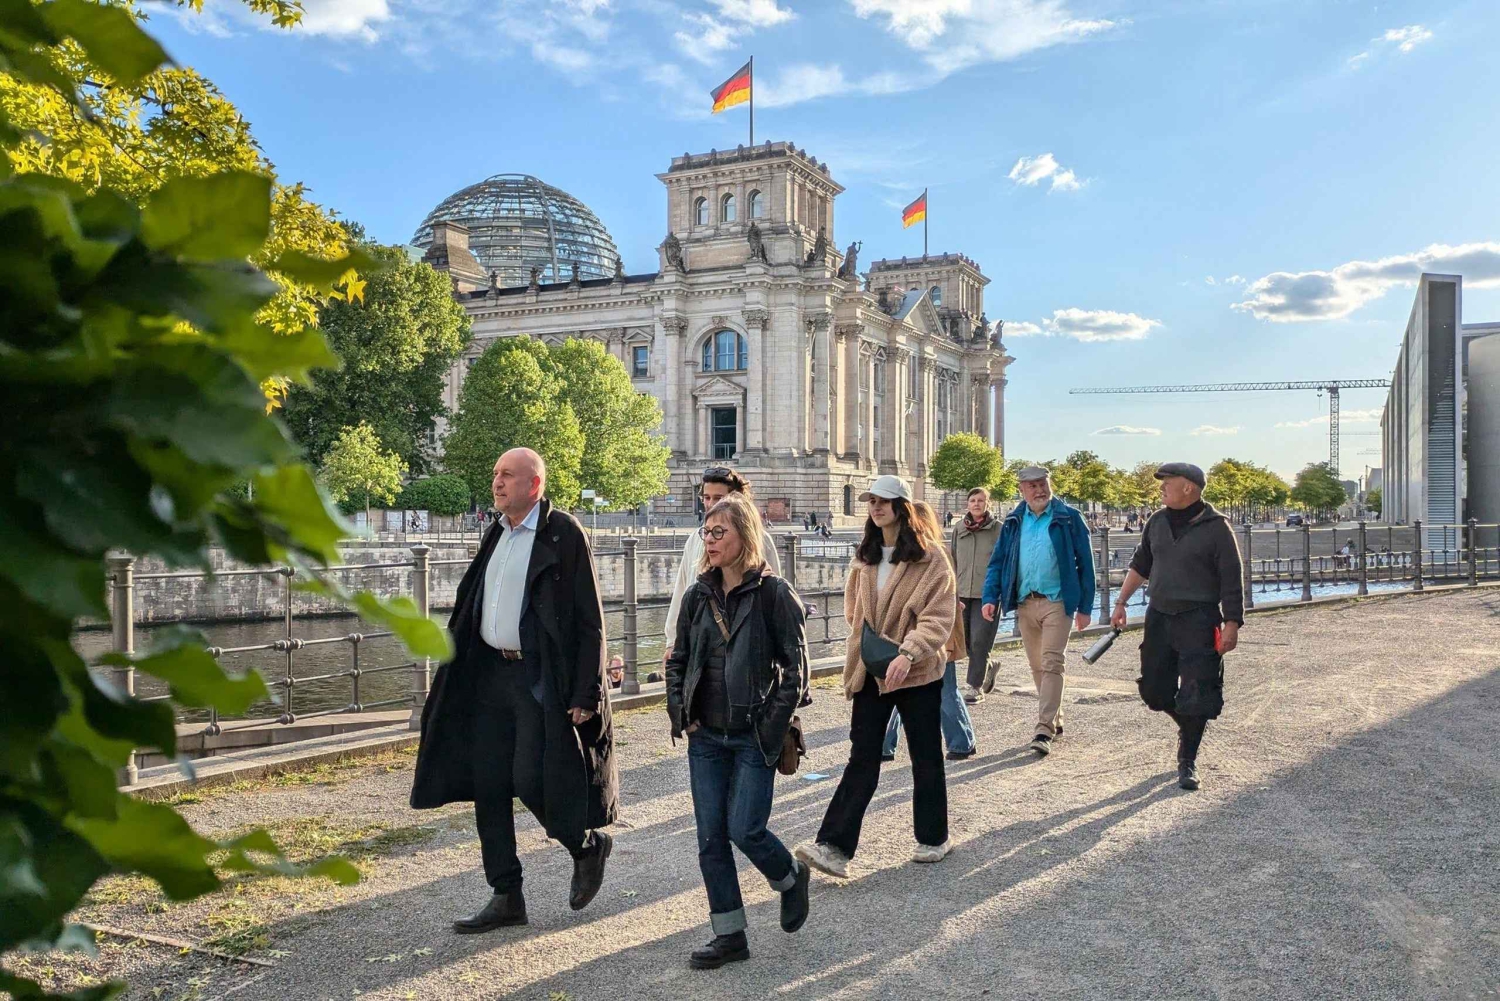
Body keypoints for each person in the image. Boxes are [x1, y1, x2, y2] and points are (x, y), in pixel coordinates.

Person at [410, 448, 617, 933]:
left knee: (529, 777)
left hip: (537, 676)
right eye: (495, 474)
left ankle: (585, 845)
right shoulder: (496, 531)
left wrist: (587, 692)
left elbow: (590, 620)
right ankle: (506, 895)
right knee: (489, 785)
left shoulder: (564, 533)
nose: (497, 483)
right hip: (488, 675)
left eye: (507, 475)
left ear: (534, 485)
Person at [666, 494, 811, 969]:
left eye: (718, 533)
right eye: (706, 533)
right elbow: (678, 660)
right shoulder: (696, 596)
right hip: (705, 734)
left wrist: (770, 724)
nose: (708, 541)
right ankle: (730, 936)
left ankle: (790, 876)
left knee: (745, 829)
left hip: (753, 734)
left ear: (744, 536)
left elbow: (796, 671)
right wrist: (678, 710)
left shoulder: (774, 594)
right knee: (710, 838)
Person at [796, 475, 957, 878]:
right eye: (871, 501)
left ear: (902, 506)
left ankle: (933, 837)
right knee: (862, 756)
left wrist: (908, 650)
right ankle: (833, 847)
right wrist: (873, 646)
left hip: (917, 670)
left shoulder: (931, 557)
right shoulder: (865, 555)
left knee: (925, 754)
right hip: (872, 667)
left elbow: (940, 615)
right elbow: (854, 612)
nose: (875, 507)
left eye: (884, 501)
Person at [1110, 462, 1244, 791]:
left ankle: (1188, 759)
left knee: (1198, 691)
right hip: (1159, 616)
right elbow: (1141, 565)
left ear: (1188, 487)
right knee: (1153, 691)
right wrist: (1121, 602)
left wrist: (1232, 623)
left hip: (1199, 618)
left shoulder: (1216, 527)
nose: (1161, 488)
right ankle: (1188, 723)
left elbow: (1232, 578)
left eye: (1167, 483)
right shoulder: (1156, 522)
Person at [980, 466, 1096, 756]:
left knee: (1052, 661)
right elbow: (998, 562)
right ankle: (1055, 719)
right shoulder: (1014, 521)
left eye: (1042, 484)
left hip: (1058, 601)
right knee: (1036, 665)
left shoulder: (1068, 517)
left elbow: (1086, 564)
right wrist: (990, 596)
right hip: (1025, 602)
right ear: (1022, 490)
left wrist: (1085, 606)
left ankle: (1043, 728)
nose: (1039, 490)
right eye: (1031, 486)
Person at [882, 500, 976, 762]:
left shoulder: (938, 554)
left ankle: (961, 742)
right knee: (894, 686)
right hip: (907, 634)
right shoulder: (901, 553)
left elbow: (945, 599)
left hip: (935, 636)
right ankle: (884, 745)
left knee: (944, 690)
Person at [664, 467, 782, 663]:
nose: (710, 504)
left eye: (718, 498)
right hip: (701, 644)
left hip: (746, 643)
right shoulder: (696, 539)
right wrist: (672, 641)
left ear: (735, 499)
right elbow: (682, 591)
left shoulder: (761, 540)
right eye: (706, 497)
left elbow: (774, 593)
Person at [951, 487, 1003, 703]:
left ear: (987, 504)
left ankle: (974, 687)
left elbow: (1003, 560)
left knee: (981, 641)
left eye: (981, 500)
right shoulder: (959, 528)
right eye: (972, 500)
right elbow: (952, 558)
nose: (976, 504)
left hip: (987, 594)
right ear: (967, 504)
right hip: (962, 592)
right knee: (966, 642)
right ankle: (988, 667)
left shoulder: (998, 529)